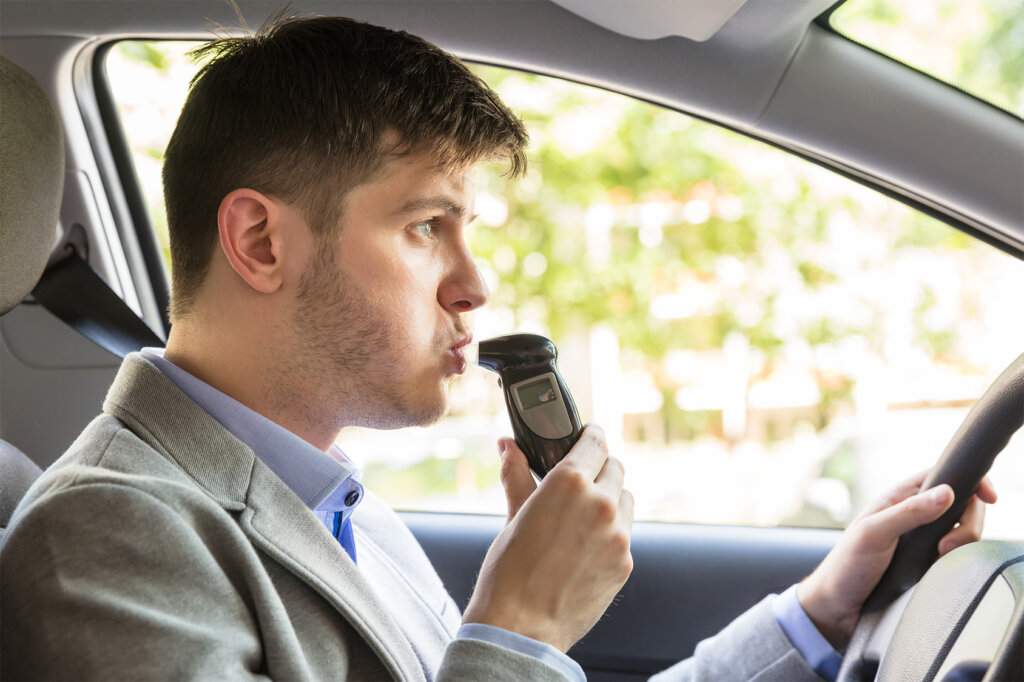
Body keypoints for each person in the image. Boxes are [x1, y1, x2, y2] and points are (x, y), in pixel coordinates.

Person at [0, 13, 996, 682]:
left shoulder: (326, 500)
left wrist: (819, 613)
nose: (475, 283)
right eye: (425, 227)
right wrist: (515, 630)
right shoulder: (104, 542)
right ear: (262, 241)